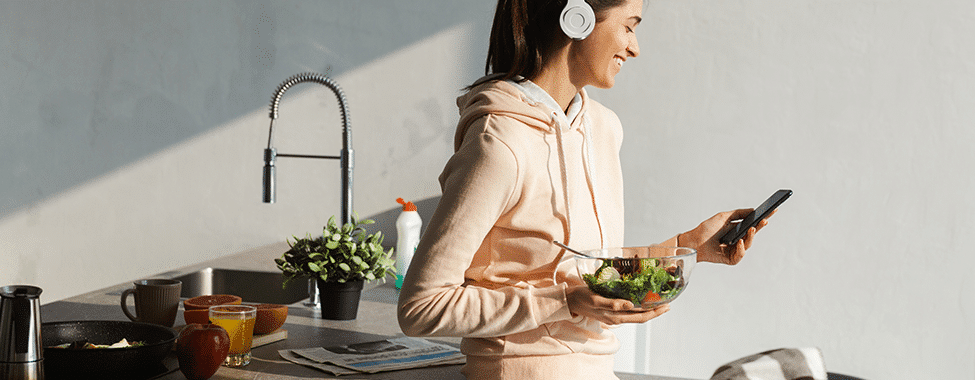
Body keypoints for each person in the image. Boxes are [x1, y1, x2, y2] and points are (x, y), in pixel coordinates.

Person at [397, 0, 770, 379]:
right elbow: (422, 307)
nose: (635, 47)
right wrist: (565, 301)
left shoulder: (603, 128)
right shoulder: (500, 144)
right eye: (629, 27)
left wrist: (686, 247)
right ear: (578, 19)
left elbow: (585, 266)